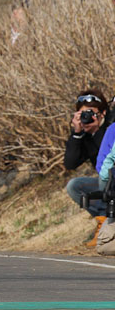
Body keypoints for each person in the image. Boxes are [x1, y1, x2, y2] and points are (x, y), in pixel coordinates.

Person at [64, 89, 110, 247]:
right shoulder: (84, 135)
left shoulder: (112, 128)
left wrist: (97, 132)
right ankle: (103, 220)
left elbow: (109, 156)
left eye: (91, 113)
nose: (87, 118)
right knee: (74, 186)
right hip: (107, 182)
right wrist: (76, 135)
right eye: (82, 114)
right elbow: (70, 164)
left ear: (103, 113)